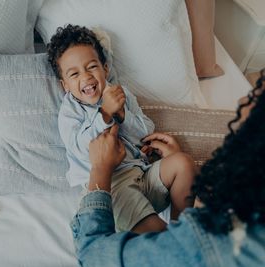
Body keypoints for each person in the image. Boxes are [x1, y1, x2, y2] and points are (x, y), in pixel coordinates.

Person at [71, 70, 265, 266]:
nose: (241, 101)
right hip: (130, 186)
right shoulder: (71, 110)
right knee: (182, 163)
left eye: (253, 97)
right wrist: (178, 165)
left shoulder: (216, 244)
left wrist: (100, 170)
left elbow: (93, 256)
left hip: (116, 180)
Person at [47, 24, 196, 233]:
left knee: (183, 163)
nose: (86, 77)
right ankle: (169, 243)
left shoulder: (120, 93)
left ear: (105, 69)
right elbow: (81, 148)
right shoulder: (70, 111)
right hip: (113, 186)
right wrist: (105, 114)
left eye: (91, 67)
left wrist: (123, 115)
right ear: (65, 86)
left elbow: (146, 131)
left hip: (144, 174)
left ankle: (182, 228)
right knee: (157, 233)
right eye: (74, 74)